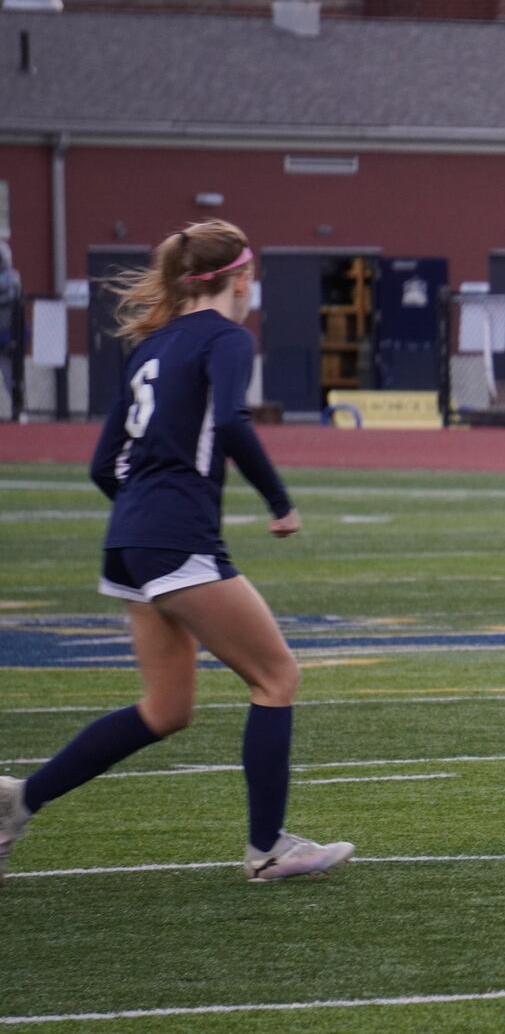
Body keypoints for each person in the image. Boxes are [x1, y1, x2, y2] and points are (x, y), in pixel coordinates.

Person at [0, 220, 353, 884]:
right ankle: (268, 847)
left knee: (166, 709)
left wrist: (142, 514)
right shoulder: (226, 337)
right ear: (240, 279)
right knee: (277, 678)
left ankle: (18, 802)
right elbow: (231, 420)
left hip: (129, 541)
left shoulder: (152, 346)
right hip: (175, 538)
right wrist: (279, 501)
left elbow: (105, 464)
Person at [0, 239, 22, 419]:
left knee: (10, 375)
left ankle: (17, 408)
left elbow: (10, 295)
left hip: (7, 333)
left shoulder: (11, 278)